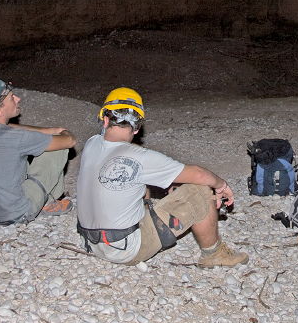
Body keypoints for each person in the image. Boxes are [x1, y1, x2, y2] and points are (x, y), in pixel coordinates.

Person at [77, 87, 248, 267]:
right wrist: (221, 185)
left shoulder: (92, 144)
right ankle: (213, 254)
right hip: (126, 250)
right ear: (137, 128)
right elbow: (199, 174)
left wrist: (170, 181)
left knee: (139, 184)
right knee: (201, 189)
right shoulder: (139, 157)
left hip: (92, 243)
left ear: (104, 120)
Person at [0, 78, 75, 225]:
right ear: (0, 110)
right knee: (58, 148)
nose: (18, 98)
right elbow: (70, 141)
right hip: (13, 214)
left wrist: (47, 130)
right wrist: (64, 132)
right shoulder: (17, 139)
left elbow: (9, 129)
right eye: (11, 98)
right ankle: (48, 203)